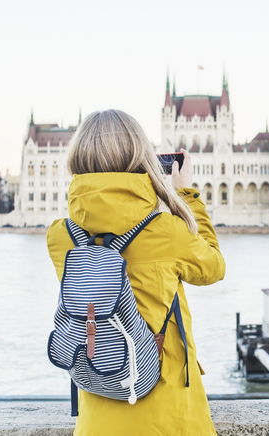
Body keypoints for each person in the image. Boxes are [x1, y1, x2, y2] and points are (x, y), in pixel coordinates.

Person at [46, 109, 226, 435]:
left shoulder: (61, 236)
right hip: (169, 415)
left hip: (98, 410)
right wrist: (185, 195)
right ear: (140, 156)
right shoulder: (168, 232)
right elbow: (213, 267)